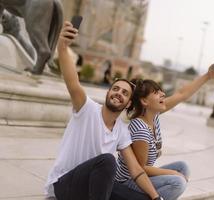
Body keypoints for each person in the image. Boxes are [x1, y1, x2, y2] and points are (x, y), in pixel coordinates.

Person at [45, 21, 164, 200]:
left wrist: (156, 198)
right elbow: (72, 81)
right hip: (64, 186)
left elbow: (136, 169)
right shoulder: (87, 109)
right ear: (108, 92)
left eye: (124, 93)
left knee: (143, 198)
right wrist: (62, 46)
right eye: (115, 89)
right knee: (108, 161)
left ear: (128, 103)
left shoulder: (121, 130)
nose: (118, 94)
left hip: (91, 188)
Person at [115, 65, 214, 200]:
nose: (163, 94)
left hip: (140, 176)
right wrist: (172, 173)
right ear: (144, 101)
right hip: (128, 182)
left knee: (182, 168)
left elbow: (181, 94)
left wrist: (208, 76)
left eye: (161, 91)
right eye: (156, 93)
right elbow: (140, 169)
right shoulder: (140, 129)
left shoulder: (153, 116)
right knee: (178, 182)